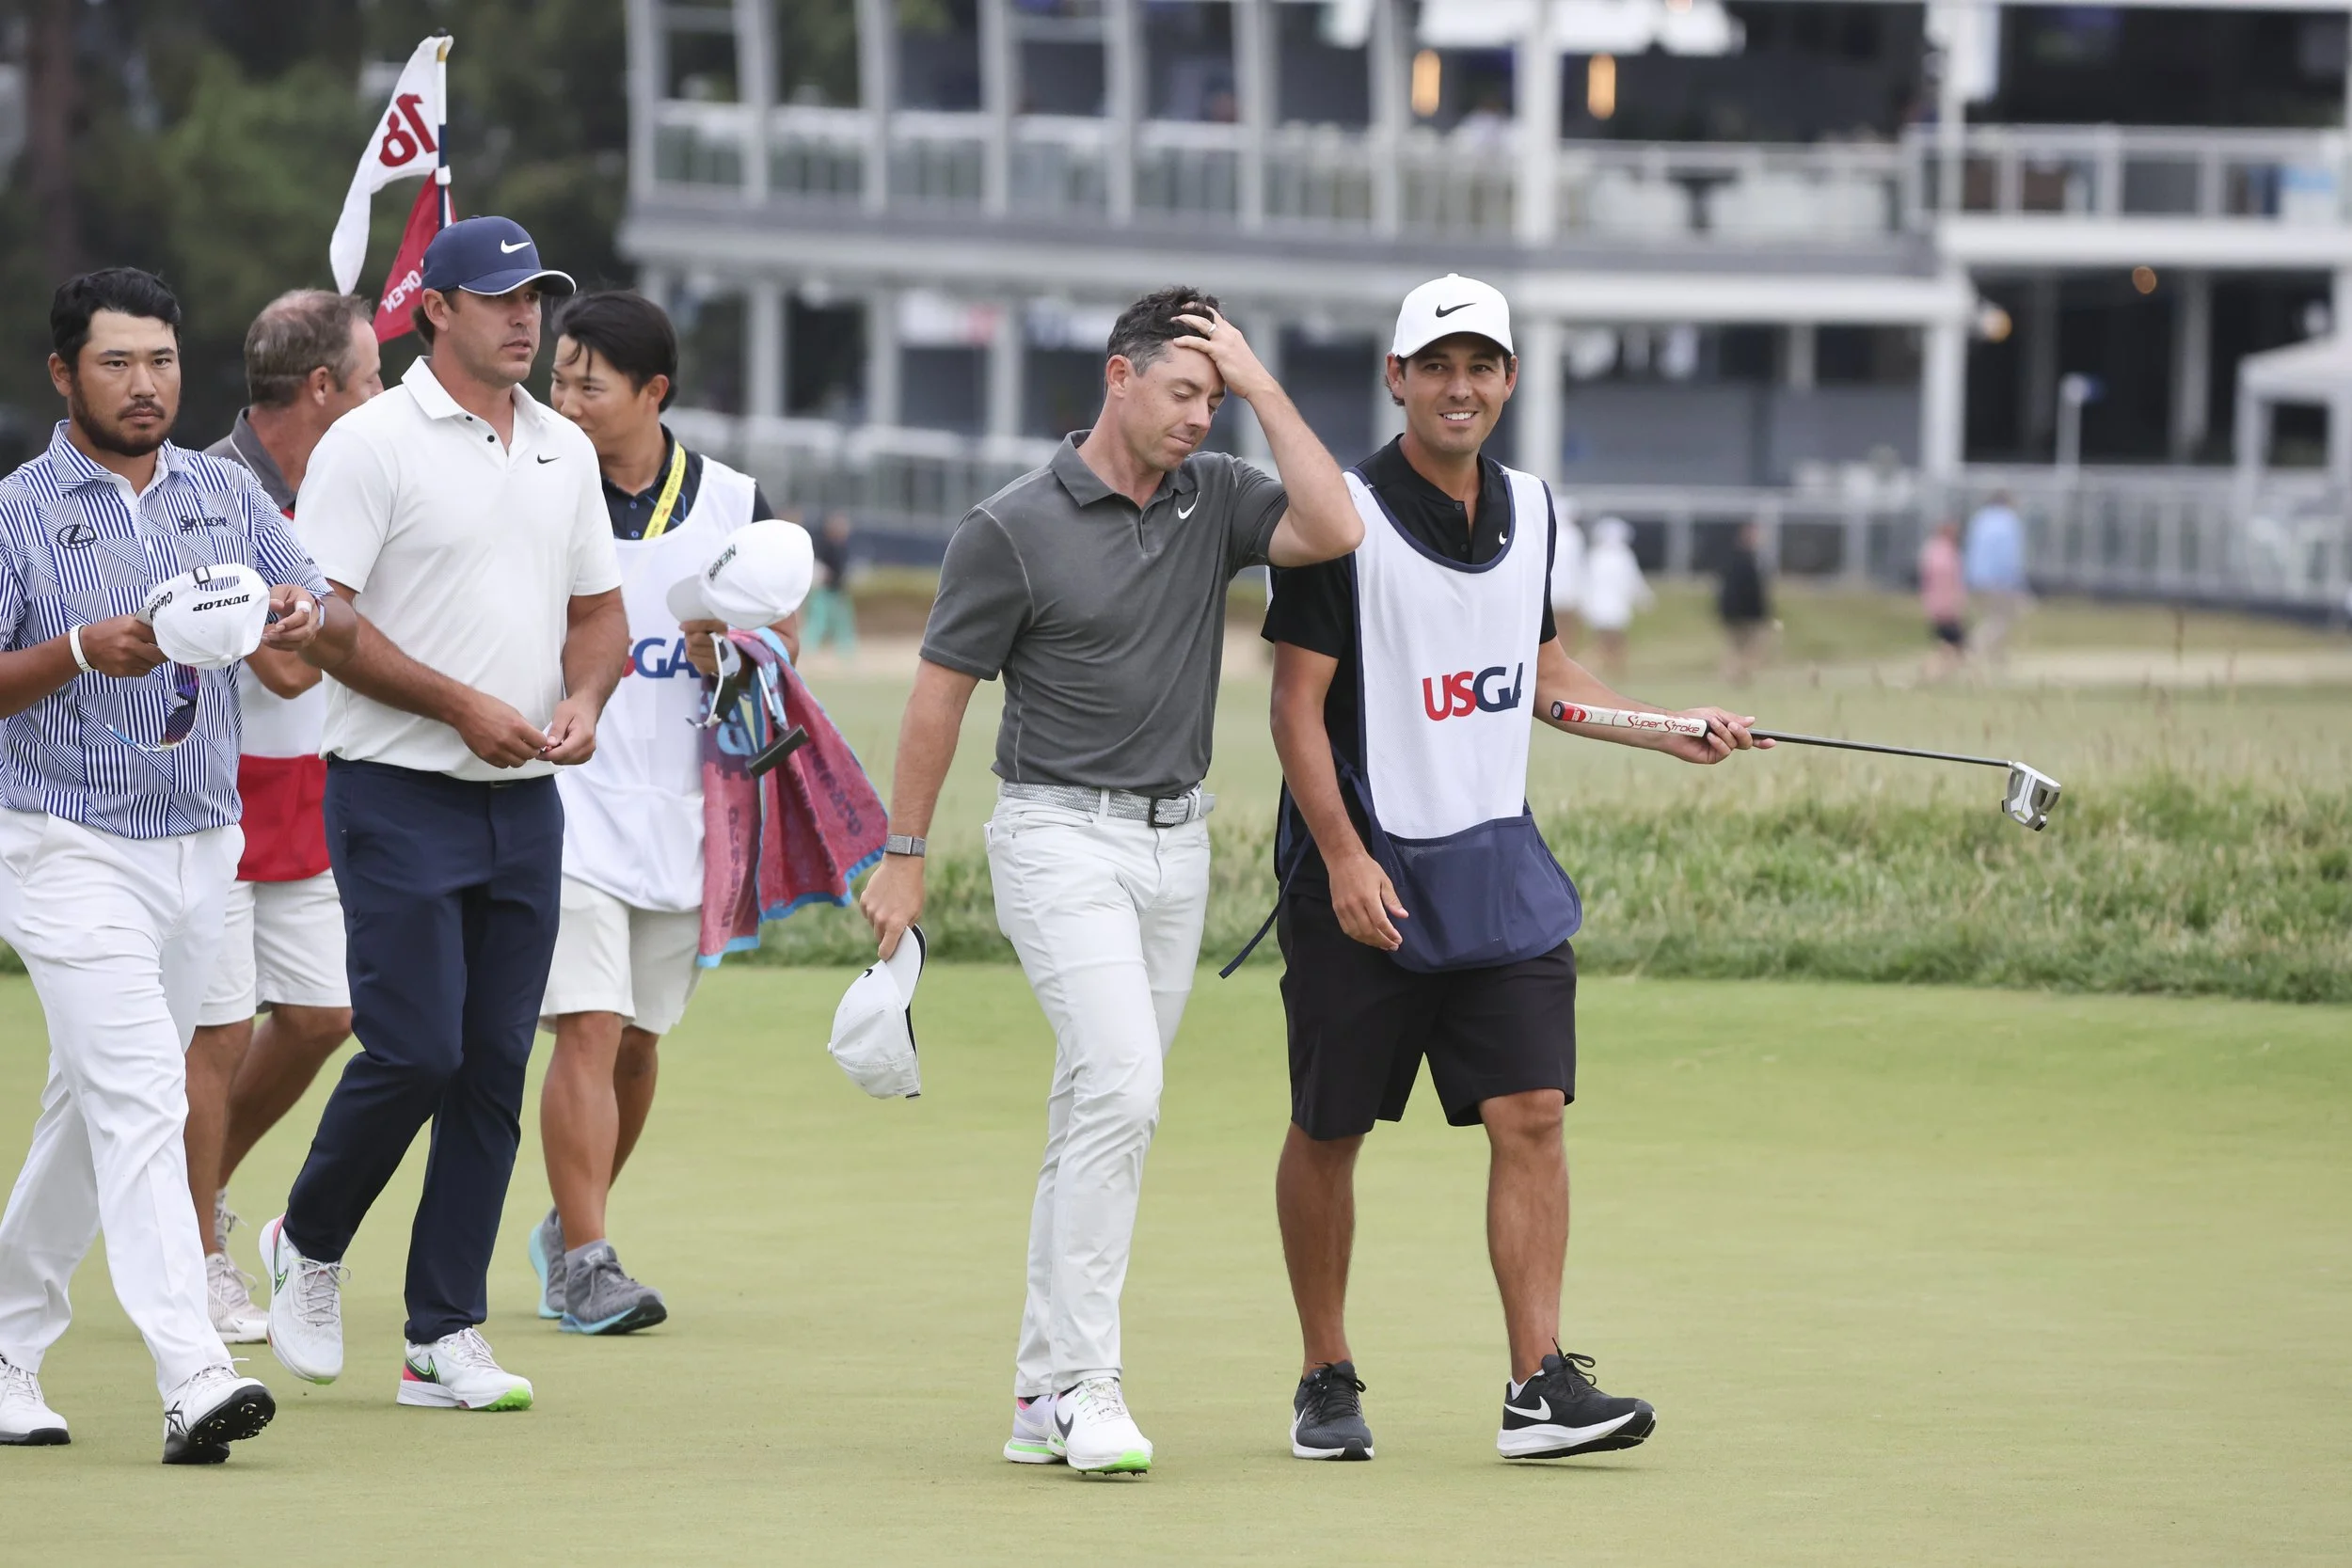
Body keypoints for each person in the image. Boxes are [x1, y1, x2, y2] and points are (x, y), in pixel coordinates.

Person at [857, 286, 1360, 1475]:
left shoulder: (1215, 493)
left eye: (1214, 397)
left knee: (1099, 1103)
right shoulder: (1009, 526)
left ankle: (1040, 1391)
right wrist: (904, 854)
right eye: (1183, 390)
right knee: (1124, 1088)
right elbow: (937, 696)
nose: (1200, 415)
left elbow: (1333, 524)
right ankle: (1088, 1382)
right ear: (1117, 378)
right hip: (1054, 835)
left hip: (1176, 845)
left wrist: (1259, 381)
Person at [1261, 273, 1761, 1465]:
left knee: (1532, 1111)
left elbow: (1541, 674)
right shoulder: (1337, 516)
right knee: (1330, 1127)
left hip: (1495, 866)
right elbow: (1293, 708)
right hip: (1363, 875)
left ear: (1510, 380)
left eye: (1480, 365)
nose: (1460, 386)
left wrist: (1664, 726)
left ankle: (1538, 1382)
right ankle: (1324, 1372)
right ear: (1396, 377)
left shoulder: (1531, 506)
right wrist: (1342, 857)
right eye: (1436, 365)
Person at [254, 217, 628, 1415]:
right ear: (435, 312)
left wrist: (584, 698)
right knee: (416, 1046)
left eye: (536, 298)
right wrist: (462, 705)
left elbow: (599, 616)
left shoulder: (564, 447)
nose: (527, 318)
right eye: (500, 298)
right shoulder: (370, 443)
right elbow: (324, 623)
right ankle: (307, 1238)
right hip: (396, 790)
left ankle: (442, 1331)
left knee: (492, 1067)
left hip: (526, 801)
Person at [0, 268, 348, 1462]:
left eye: (160, 360)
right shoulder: (17, 511)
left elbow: (311, 612)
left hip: (206, 844)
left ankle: (4, 1344)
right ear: (65, 374)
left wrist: (299, 614)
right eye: (116, 363)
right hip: (62, 844)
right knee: (148, 1089)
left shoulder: (224, 490)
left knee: (89, 1109)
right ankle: (192, 1368)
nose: (144, 384)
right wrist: (75, 650)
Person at [529, 289, 797, 1336]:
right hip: (569, 797)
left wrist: (734, 652)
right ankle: (592, 1260)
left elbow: (781, 654)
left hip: (688, 815)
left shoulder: (734, 502)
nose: (565, 401)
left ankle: (568, 1228)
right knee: (588, 1027)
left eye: (588, 385)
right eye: (558, 380)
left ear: (654, 392)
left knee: (638, 1043)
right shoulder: (537, 485)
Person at [185, 290, 379, 1345]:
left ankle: (198, 1188)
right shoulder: (212, 489)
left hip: (305, 791)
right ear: (321, 388)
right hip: (211, 792)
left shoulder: (342, 487)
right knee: (215, 1036)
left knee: (321, 1013)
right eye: (373, 377)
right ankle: (196, 1255)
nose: (386, 394)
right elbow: (289, 668)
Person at [1579, 516, 1651, 678]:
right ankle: (1601, 669)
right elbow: (1633, 581)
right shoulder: (1622, 556)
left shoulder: (1596, 556)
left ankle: (1611, 671)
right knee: (1611, 642)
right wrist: (1644, 598)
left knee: (1608, 641)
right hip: (1612, 607)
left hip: (1600, 606)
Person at [1963, 491, 2029, 663]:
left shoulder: (1980, 519)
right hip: (2000, 579)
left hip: (1976, 578)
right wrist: (2016, 581)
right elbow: (2009, 554)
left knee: (1990, 617)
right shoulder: (2009, 521)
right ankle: (1973, 648)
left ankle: (1997, 658)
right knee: (2001, 620)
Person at [1715, 518, 1772, 687]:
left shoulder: (1750, 558)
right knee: (1742, 647)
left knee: (1744, 647)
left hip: (1745, 613)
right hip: (1742, 613)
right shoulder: (1739, 560)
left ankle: (1739, 676)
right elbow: (1739, 590)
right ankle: (1734, 676)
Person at [1919, 517, 1968, 681]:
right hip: (1946, 607)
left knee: (1946, 644)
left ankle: (1938, 673)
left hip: (1935, 605)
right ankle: (1934, 672)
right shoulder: (1948, 553)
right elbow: (1951, 581)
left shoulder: (1932, 551)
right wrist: (1956, 604)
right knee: (1954, 645)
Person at [803, 511, 858, 658]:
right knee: (817, 622)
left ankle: (846, 652)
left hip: (838, 592)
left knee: (843, 624)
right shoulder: (823, 546)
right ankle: (808, 649)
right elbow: (818, 568)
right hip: (823, 592)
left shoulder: (843, 547)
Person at [1547, 505, 1586, 656]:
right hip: (1568, 588)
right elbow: (1578, 564)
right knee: (1567, 623)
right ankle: (1566, 652)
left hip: (1551, 588)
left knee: (1551, 624)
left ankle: (1555, 653)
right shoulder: (1573, 535)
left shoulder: (1548, 531)